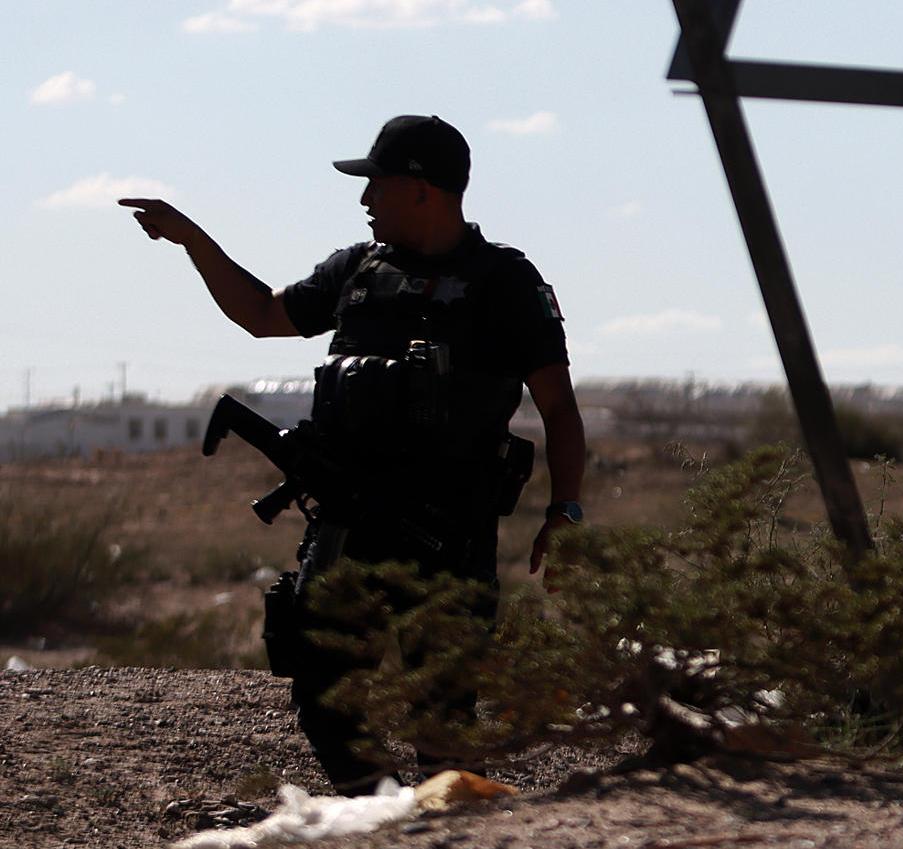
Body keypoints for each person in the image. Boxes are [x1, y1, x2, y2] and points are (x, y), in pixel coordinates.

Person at [119, 114, 587, 794]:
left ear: (422, 188)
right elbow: (262, 314)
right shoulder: (357, 271)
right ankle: (385, 816)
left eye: (377, 185)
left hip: (447, 533)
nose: (364, 200)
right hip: (346, 526)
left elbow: (560, 408)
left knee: (441, 714)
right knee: (324, 692)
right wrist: (192, 239)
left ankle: (457, 828)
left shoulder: (503, 282)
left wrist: (565, 508)